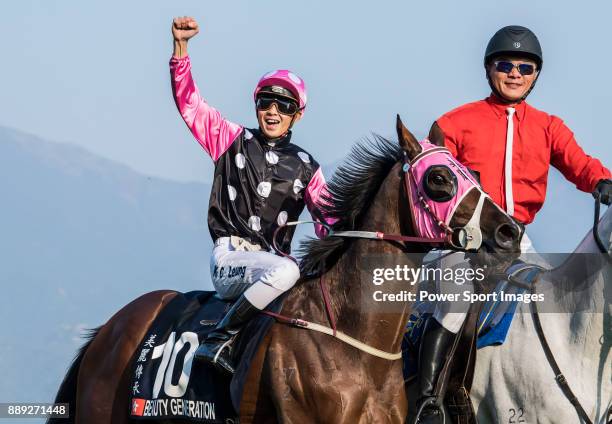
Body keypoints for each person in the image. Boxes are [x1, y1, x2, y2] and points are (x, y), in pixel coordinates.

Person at [412, 25, 611, 423]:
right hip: (462, 242)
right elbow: (430, 181)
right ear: (490, 69)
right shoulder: (455, 123)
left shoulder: (548, 126)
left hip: (517, 242)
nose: (516, 73)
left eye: (526, 67)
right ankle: (428, 401)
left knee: (556, 299)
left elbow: (581, 165)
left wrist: (604, 182)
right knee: (455, 299)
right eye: (506, 65)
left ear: (535, 75)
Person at [170, 16, 331, 375]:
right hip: (231, 260)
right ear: (256, 104)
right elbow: (190, 104)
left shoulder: (308, 167)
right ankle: (221, 336)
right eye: (266, 102)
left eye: (284, 106)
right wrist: (181, 49)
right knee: (288, 269)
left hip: (275, 270)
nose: (273, 111)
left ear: (298, 115)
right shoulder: (229, 139)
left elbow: (331, 225)